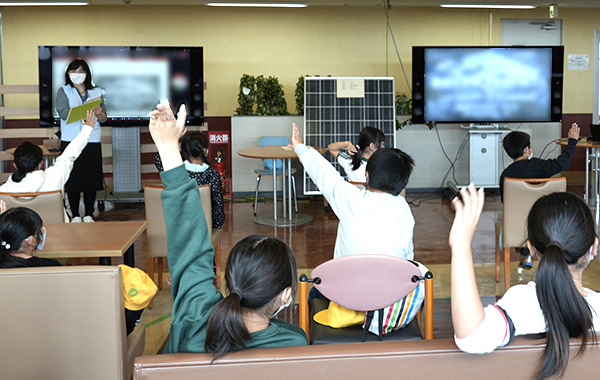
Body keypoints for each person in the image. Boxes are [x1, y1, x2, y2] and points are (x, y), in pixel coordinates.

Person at [149, 100, 307, 358]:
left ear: (229, 281)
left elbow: (189, 244)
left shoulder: (194, 318)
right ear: (286, 295)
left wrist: (167, 147)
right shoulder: (294, 343)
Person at [449, 186, 600, 380]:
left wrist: (461, 247)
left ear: (531, 249)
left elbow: (471, 337)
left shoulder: (522, 303)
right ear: (594, 247)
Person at [291, 123, 415, 260]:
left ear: (367, 176)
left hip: (347, 279)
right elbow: (408, 256)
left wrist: (299, 146)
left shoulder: (350, 198)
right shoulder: (403, 209)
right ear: (403, 182)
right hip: (394, 278)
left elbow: (323, 172)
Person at [499, 123, 580, 268]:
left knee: (522, 218)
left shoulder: (505, 175)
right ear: (526, 150)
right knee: (535, 214)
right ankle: (538, 256)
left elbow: (504, 201)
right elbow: (563, 162)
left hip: (517, 227)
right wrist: (572, 141)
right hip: (545, 225)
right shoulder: (538, 166)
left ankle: (526, 252)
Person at [0, 110, 96, 203]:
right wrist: (87, 129)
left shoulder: (3, 191)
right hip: (54, 220)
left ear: (15, 165)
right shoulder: (54, 177)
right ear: (41, 164)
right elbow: (69, 154)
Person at [55, 58, 107, 223]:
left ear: (87, 74)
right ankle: (75, 214)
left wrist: (98, 112)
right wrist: (83, 112)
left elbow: (104, 118)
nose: (77, 75)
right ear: (68, 74)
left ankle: (89, 213)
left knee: (91, 178)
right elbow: (63, 113)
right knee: (73, 178)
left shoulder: (97, 91)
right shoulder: (64, 91)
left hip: (92, 140)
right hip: (71, 140)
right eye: (74, 71)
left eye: (81, 71)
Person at [154, 131, 225, 229]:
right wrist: (215, 225)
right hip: (204, 228)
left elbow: (159, 159)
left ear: (183, 151)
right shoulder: (213, 175)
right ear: (205, 151)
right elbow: (218, 213)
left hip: (177, 228)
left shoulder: (176, 172)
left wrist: (174, 140)